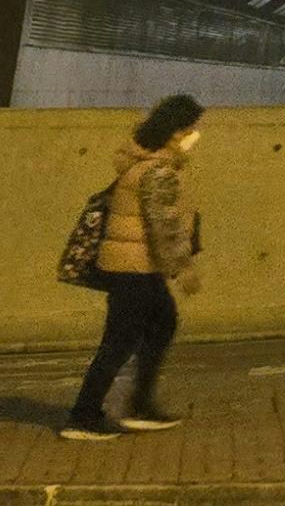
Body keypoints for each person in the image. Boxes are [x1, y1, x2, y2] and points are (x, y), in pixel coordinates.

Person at [62, 93, 205, 440]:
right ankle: (83, 417)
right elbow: (164, 224)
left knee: (162, 324)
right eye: (191, 129)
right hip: (135, 269)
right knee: (120, 342)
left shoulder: (141, 163)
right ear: (176, 132)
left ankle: (139, 406)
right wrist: (183, 268)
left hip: (134, 267)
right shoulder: (158, 171)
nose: (195, 137)